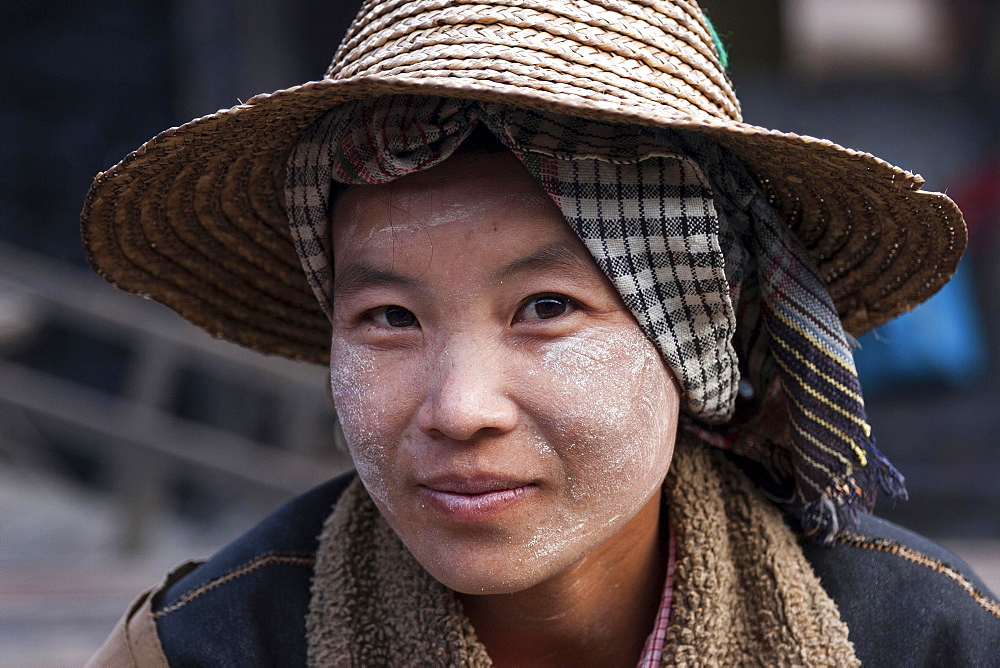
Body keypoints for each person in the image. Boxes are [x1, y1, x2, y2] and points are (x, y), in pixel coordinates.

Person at [83, 0, 999, 665]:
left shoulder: (920, 640)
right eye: (389, 318)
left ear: (697, 338)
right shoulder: (205, 648)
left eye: (547, 309)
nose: (460, 409)